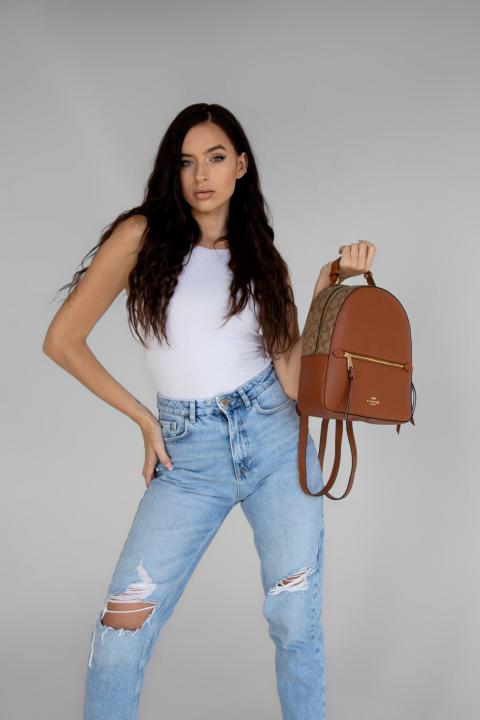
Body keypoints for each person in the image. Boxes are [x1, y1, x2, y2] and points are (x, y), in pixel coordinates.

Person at [43, 102, 376, 720]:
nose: (201, 175)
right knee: (119, 636)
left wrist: (328, 284)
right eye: (187, 161)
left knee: (295, 624)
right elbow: (62, 340)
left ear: (241, 165)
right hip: (188, 454)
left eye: (216, 158)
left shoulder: (261, 257)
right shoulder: (141, 236)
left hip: (276, 440)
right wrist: (145, 419)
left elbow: (292, 376)